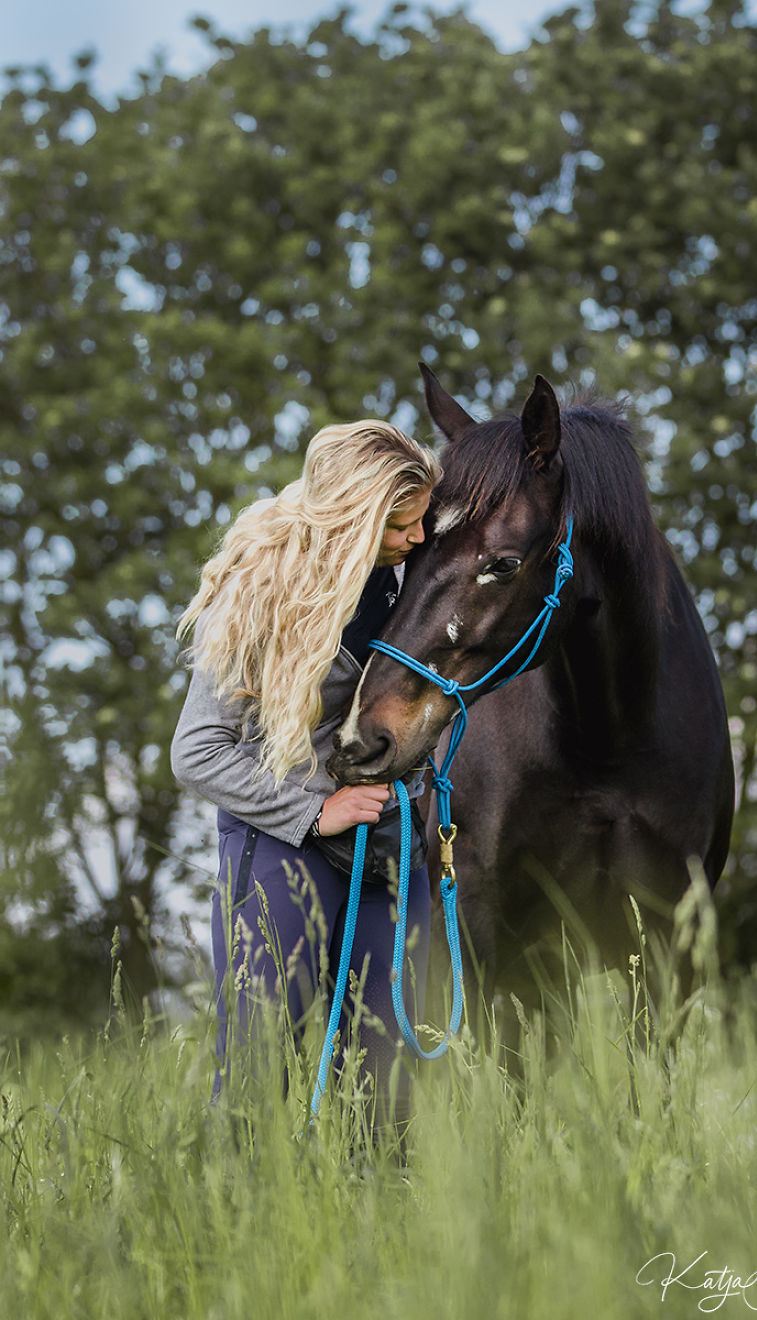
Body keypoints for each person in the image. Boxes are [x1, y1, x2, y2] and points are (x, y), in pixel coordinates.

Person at [171, 419, 441, 1125]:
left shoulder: (415, 580)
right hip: (281, 846)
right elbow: (196, 751)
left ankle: (382, 1218)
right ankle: (239, 1222)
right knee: (262, 1069)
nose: (418, 539)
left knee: (390, 1076)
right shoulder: (257, 592)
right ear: (355, 518)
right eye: (401, 526)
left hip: (391, 848)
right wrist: (315, 812)